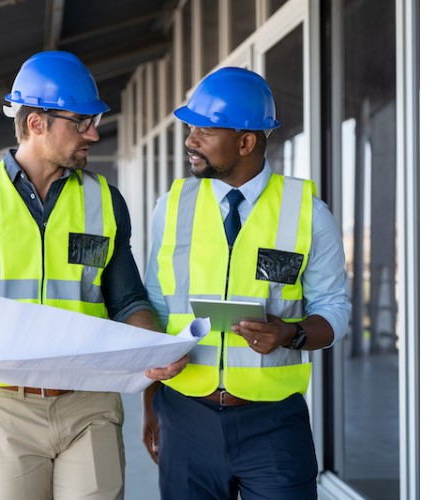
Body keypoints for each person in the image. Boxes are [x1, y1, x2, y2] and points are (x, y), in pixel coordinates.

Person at [0, 50, 187, 500]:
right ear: (36, 123)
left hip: (90, 403)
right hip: (6, 410)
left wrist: (156, 347)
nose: (94, 134)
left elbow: (128, 299)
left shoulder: (106, 201)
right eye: (81, 122)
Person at [141, 67, 352, 499]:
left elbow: (334, 308)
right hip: (184, 415)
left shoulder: (308, 212)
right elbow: (156, 305)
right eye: (189, 127)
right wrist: (151, 406)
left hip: (273, 425)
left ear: (246, 141)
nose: (190, 140)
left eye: (204, 129)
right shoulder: (172, 206)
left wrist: (291, 334)